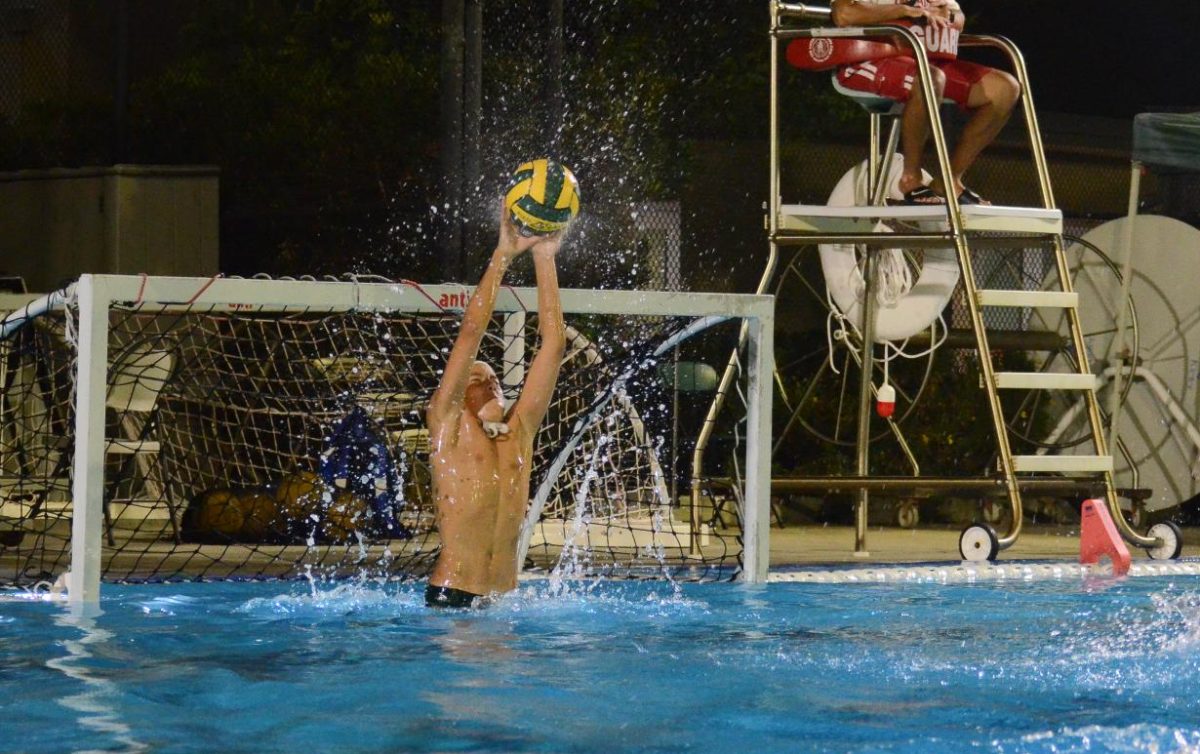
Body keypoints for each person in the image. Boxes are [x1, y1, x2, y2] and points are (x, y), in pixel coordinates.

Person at [424, 206, 566, 609]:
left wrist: (545, 257)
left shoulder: (518, 431)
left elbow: (553, 344)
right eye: (476, 379)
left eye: (494, 380)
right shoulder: (447, 424)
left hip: (503, 601)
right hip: (454, 595)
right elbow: (471, 334)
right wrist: (503, 256)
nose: (488, 383)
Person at [830, 0, 1021, 205]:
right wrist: (904, 11)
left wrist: (948, 15)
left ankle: (948, 181)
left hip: (923, 59)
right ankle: (910, 179)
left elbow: (957, 17)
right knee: (930, 79)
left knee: (1005, 89)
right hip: (868, 59)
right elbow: (843, 14)